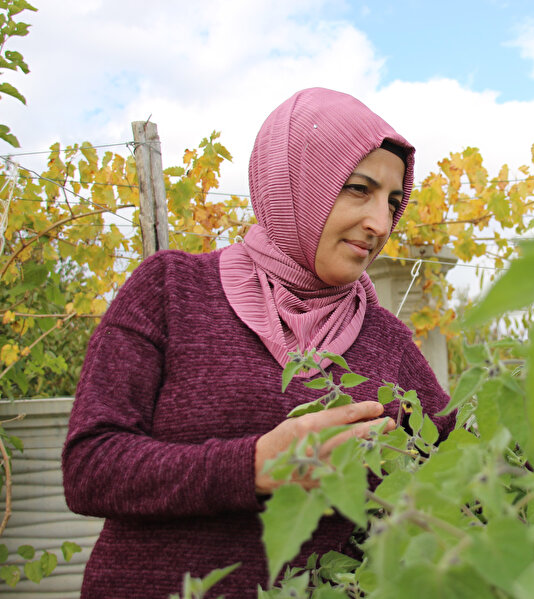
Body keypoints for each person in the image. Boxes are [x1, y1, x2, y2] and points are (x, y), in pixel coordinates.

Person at [62, 88, 454, 597]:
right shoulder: (172, 289)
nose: (380, 224)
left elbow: (462, 462)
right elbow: (90, 467)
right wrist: (252, 465)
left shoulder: (386, 339)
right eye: (359, 189)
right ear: (298, 183)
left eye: (393, 202)